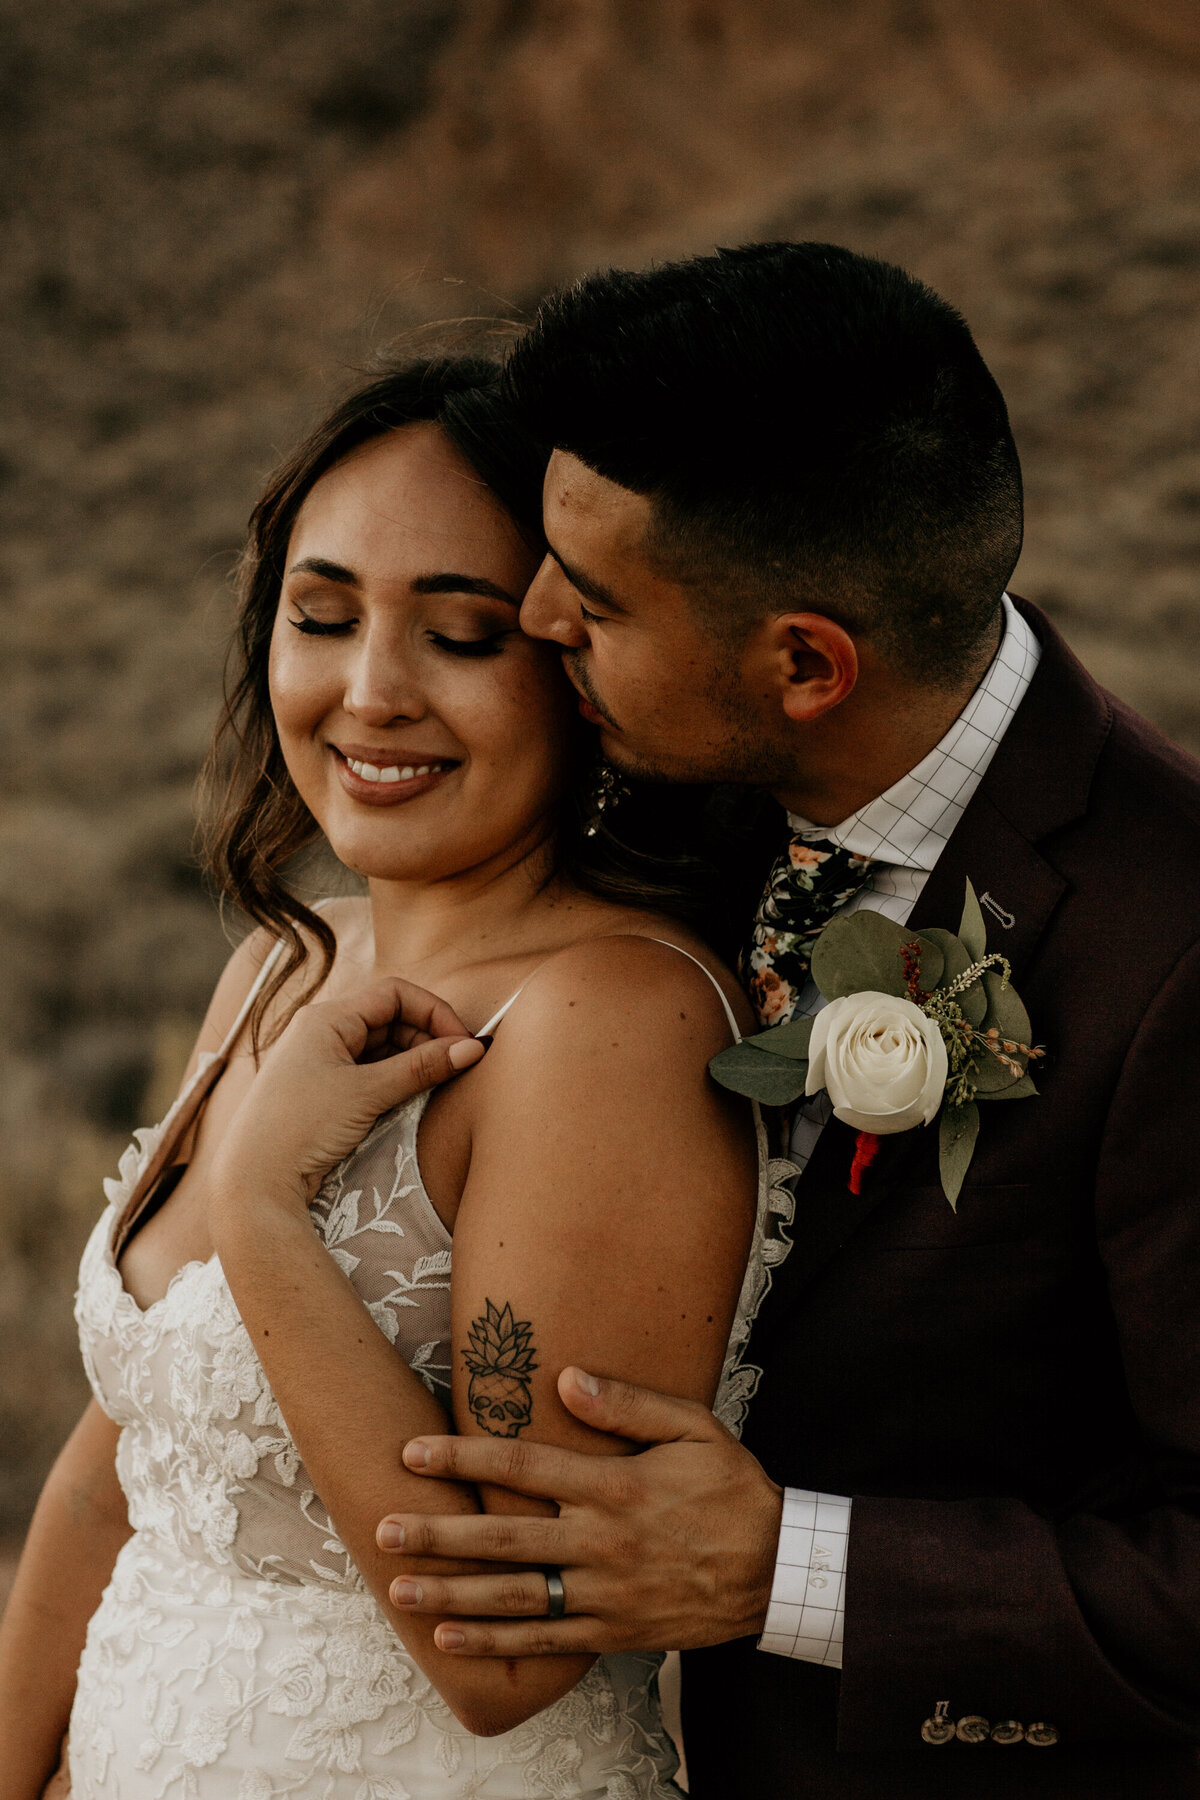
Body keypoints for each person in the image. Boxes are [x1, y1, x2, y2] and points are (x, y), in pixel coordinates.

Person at [377, 245, 1200, 1798]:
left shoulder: (1176, 956)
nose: (539, 614)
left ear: (807, 664)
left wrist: (791, 1572)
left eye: (597, 598)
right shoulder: (670, 792)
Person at [0, 356, 781, 1798]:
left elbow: (512, 1653)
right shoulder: (284, 967)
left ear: (581, 669)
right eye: (321, 616)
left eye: (463, 636)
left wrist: (259, 1210)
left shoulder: (609, 1022)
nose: (370, 693)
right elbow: (115, 1474)